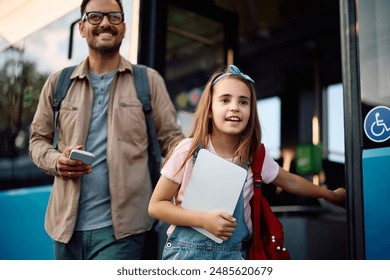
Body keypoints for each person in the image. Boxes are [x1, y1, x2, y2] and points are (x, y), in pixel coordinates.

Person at [29, 0, 183, 260]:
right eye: (95, 16)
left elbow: (173, 141)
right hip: (64, 229)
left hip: (122, 233)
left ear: (123, 28)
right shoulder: (58, 83)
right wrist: (57, 161)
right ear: (81, 27)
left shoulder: (148, 81)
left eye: (114, 16)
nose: (105, 23)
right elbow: (36, 140)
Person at [148, 64, 346, 260]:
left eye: (243, 102)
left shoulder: (255, 156)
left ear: (251, 111)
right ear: (209, 110)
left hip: (236, 256)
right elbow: (156, 205)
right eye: (225, 100)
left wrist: (329, 195)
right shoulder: (188, 150)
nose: (234, 107)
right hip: (186, 256)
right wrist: (204, 220)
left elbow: (290, 181)